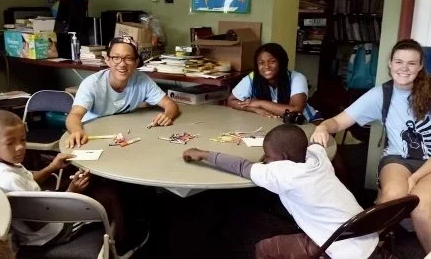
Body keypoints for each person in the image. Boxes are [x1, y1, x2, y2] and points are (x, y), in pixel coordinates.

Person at [182, 124, 378, 258]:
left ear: (283, 158)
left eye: (268, 156)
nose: (266, 159)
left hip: (341, 249)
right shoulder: (318, 158)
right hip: (366, 231)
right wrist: (273, 157)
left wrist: (202, 154)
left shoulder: (285, 174)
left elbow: (241, 166)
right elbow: (313, 144)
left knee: (264, 248)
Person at [310, 39, 431, 253]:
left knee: (421, 207)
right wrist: (322, 128)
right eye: (399, 61)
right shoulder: (381, 94)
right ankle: (366, 250)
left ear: (421, 66)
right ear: (390, 64)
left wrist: (413, 178)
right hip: (398, 159)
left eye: (412, 63)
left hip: (429, 163)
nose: (404, 68)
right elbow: (338, 121)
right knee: (391, 198)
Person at [0, 110, 124, 248]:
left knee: (90, 184)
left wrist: (52, 167)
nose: (19, 147)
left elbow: (28, 182)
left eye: (23, 140)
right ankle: (122, 243)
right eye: (10, 143)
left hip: (40, 213)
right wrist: (72, 192)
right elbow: (38, 222)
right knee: (109, 196)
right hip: (53, 231)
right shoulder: (8, 179)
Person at [65, 35, 179, 148]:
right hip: (92, 135)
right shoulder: (91, 84)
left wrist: (167, 115)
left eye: (129, 58)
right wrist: (76, 131)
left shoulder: (142, 80)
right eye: (116, 57)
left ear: (136, 62)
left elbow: (170, 104)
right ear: (108, 60)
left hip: (124, 134)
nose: (122, 64)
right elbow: (74, 115)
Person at [227, 43, 322, 122]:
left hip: (307, 123)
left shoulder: (297, 78)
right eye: (261, 63)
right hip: (276, 123)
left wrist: (260, 103)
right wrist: (254, 109)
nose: (266, 67)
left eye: (272, 61)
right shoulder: (253, 77)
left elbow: (296, 110)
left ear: (281, 62)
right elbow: (231, 101)